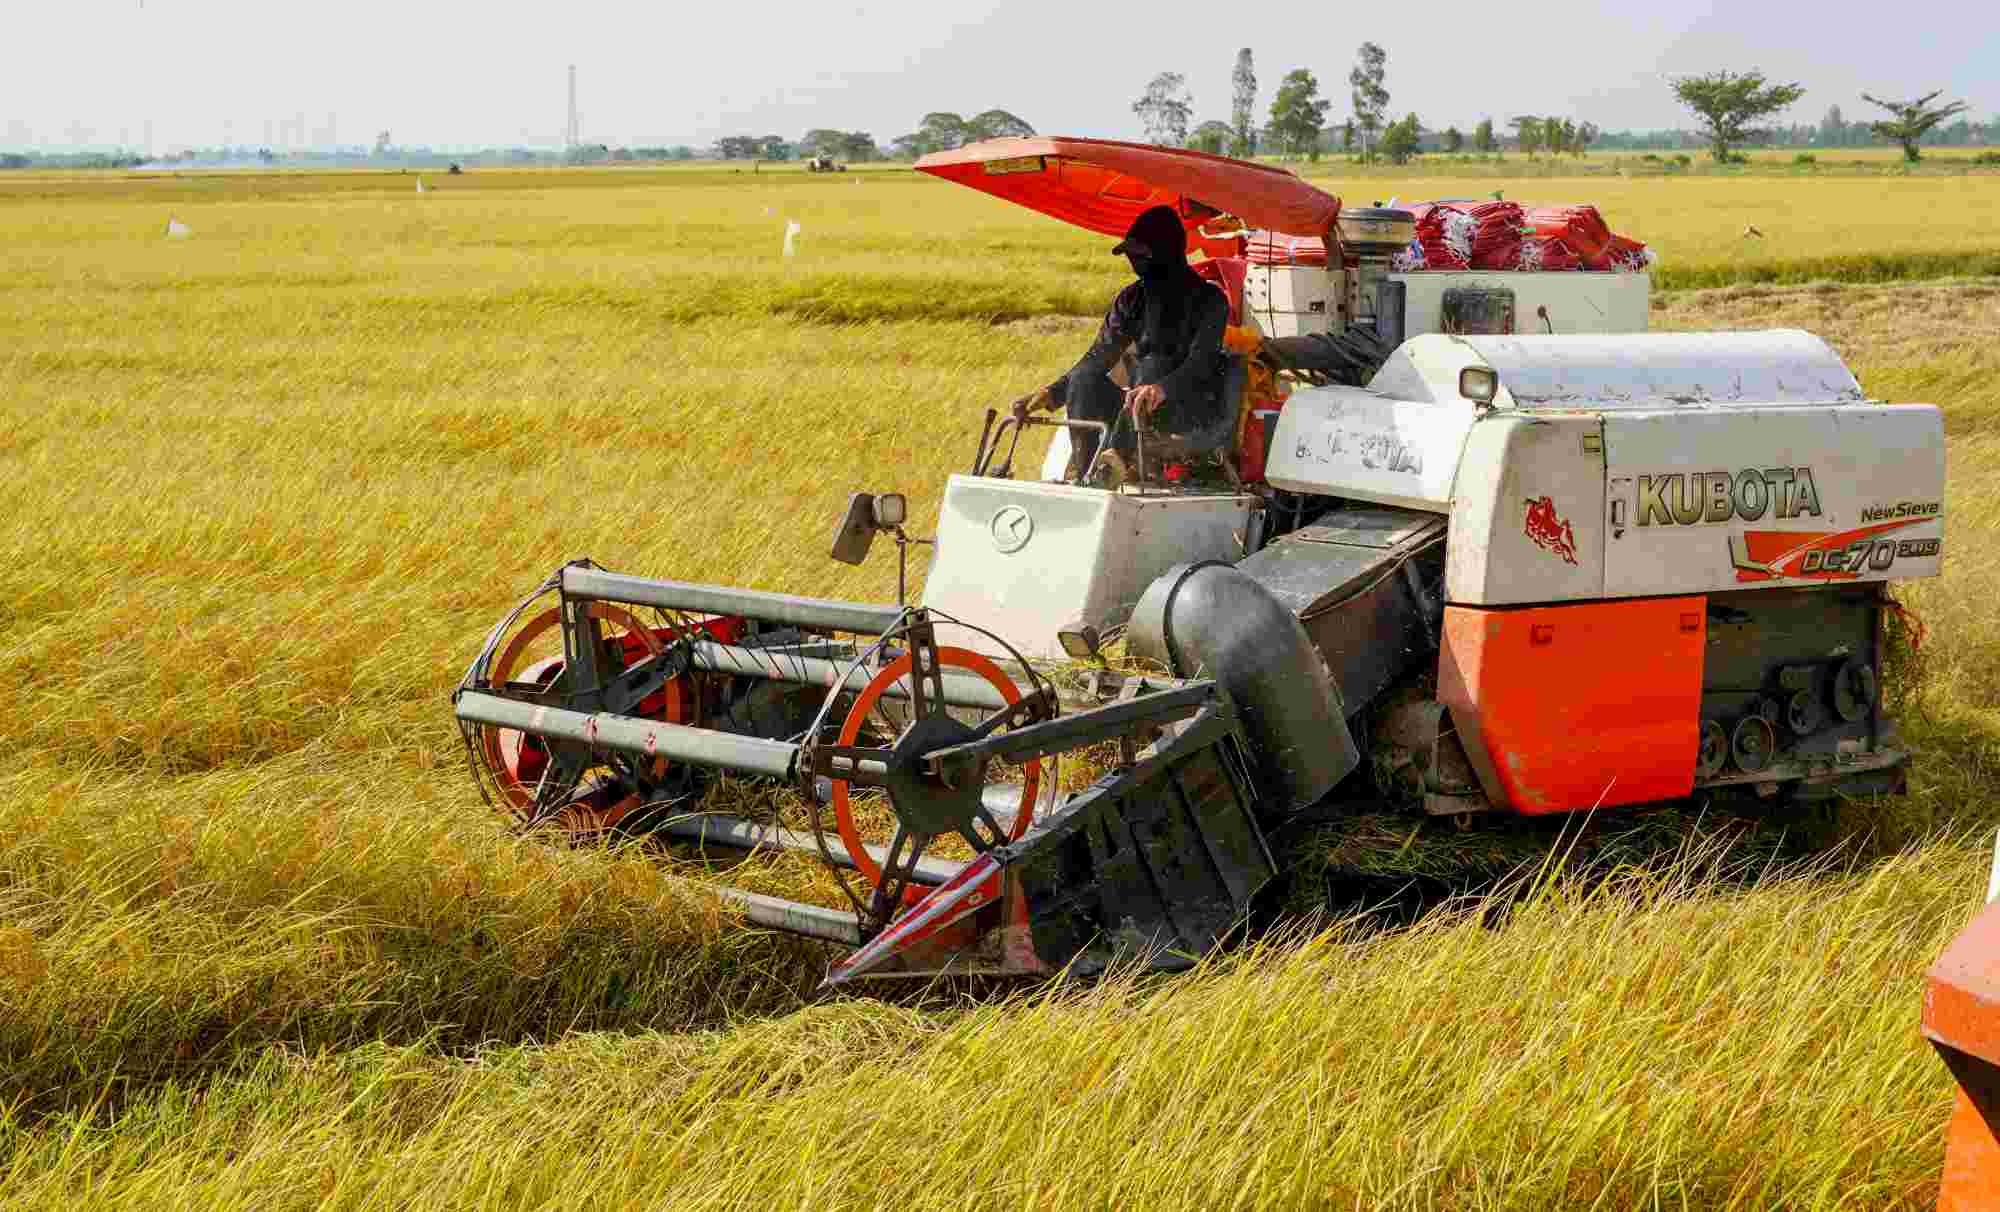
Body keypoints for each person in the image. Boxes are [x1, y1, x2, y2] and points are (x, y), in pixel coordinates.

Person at [1016, 205, 1229, 478]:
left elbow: (1202, 362)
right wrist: (1052, 393)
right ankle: (1087, 474)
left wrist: (1161, 388)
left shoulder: (1210, 300)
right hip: (1135, 407)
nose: (1133, 262)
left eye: (1140, 255)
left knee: (1153, 365)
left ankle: (1114, 460)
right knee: (1084, 378)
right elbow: (1099, 356)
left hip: (1188, 406)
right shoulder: (1132, 298)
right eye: (1131, 255)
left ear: (1166, 253)